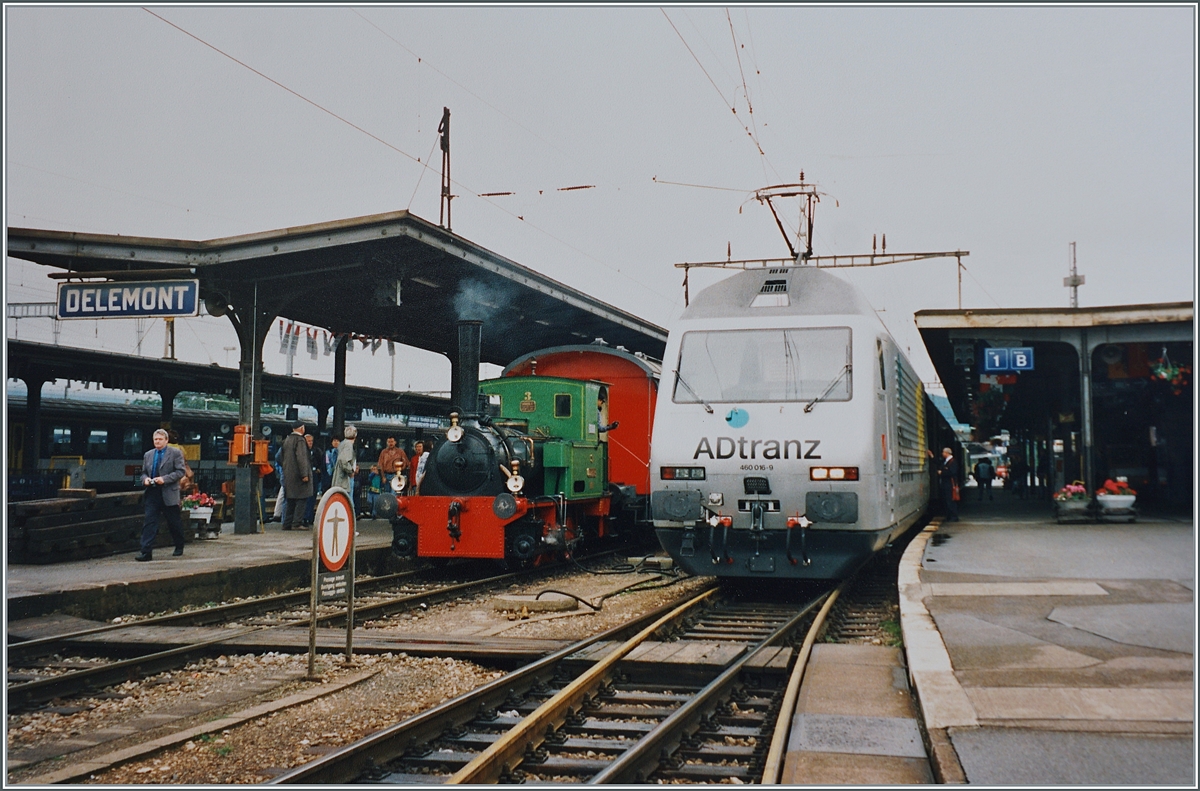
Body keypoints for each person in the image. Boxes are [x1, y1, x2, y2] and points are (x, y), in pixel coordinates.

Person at [137, 428, 188, 561]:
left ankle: (179, 545)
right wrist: (145, 480)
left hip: (168, 492)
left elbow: (180, 471)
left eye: (160, 439)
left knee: (173, 522)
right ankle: (146, 551)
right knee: (149, 521)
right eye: (155, 439)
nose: (157, 442)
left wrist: (164, 479)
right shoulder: (148, 454)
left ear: (166, 440)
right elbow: (143, 473)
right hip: (152, 492)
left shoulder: (176, 453)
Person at [279, 420, 313, 531]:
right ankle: (297, 523)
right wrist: (304, 474)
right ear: (301, 428)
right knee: (301, 499)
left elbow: (280, 458)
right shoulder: (300, 440)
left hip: (288, 475)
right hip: (299, 476)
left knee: (290, 500)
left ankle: (286, 523)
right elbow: (301, 458)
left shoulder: (286, 440)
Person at [332, 425, 359, 502]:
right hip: (346, 478)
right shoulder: (348, 445)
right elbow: (343, 460)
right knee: (348, 501)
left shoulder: (343, 443)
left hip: (340, 477)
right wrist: (350, 471)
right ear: (355, 435)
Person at [303, 433, 320, 527]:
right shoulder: (302, 451)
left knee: (313, 496)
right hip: (306, 475)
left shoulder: (316, 450)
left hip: (314, 474)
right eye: (308, 441)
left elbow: (320, 460)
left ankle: (309, 516)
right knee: (306, 497)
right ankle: (305, 517)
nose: (310, 443)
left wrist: (318, 469)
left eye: (311, 441)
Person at [938, 447, 960, 522]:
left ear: (947, 453)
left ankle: (954, 516)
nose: (942, 454)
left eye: (943, 452)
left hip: (949, 484)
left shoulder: (952, 462)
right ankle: (949, 516)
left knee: (950, 500)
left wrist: (942, 472)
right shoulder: (947, 461)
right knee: (947, 500)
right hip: (946, 484)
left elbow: (952, 472)